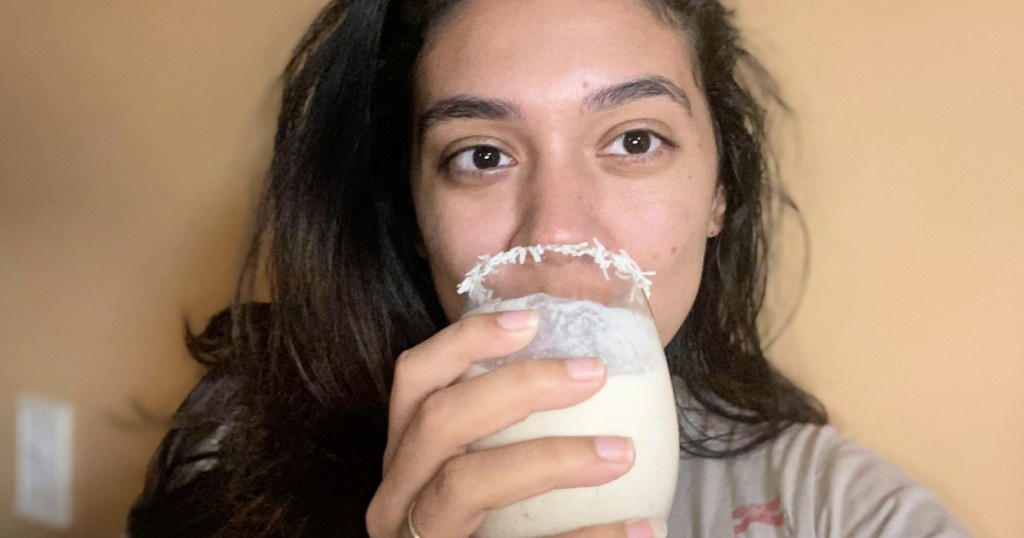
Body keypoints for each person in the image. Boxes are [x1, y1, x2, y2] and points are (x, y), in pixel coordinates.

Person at [127, 0, 969, 536]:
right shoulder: (239, 458)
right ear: (416, 219)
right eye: (483, 155)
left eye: (635, 141)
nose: (560, 231)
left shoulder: (839, 509)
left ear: (720, 192)